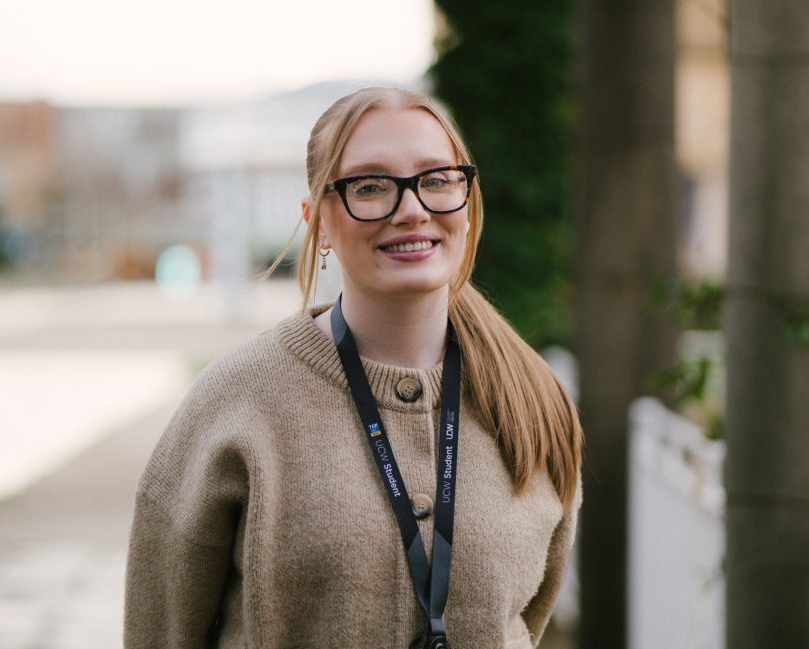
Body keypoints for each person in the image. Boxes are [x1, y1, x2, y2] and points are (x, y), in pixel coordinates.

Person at [124, 87, 583, 649]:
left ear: (466, 199)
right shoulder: (236, 401)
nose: (412, 209)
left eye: (437, 179)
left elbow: (528, 618)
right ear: (317, 219)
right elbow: (160, 632)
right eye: (370, 187)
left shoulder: (534, 399)